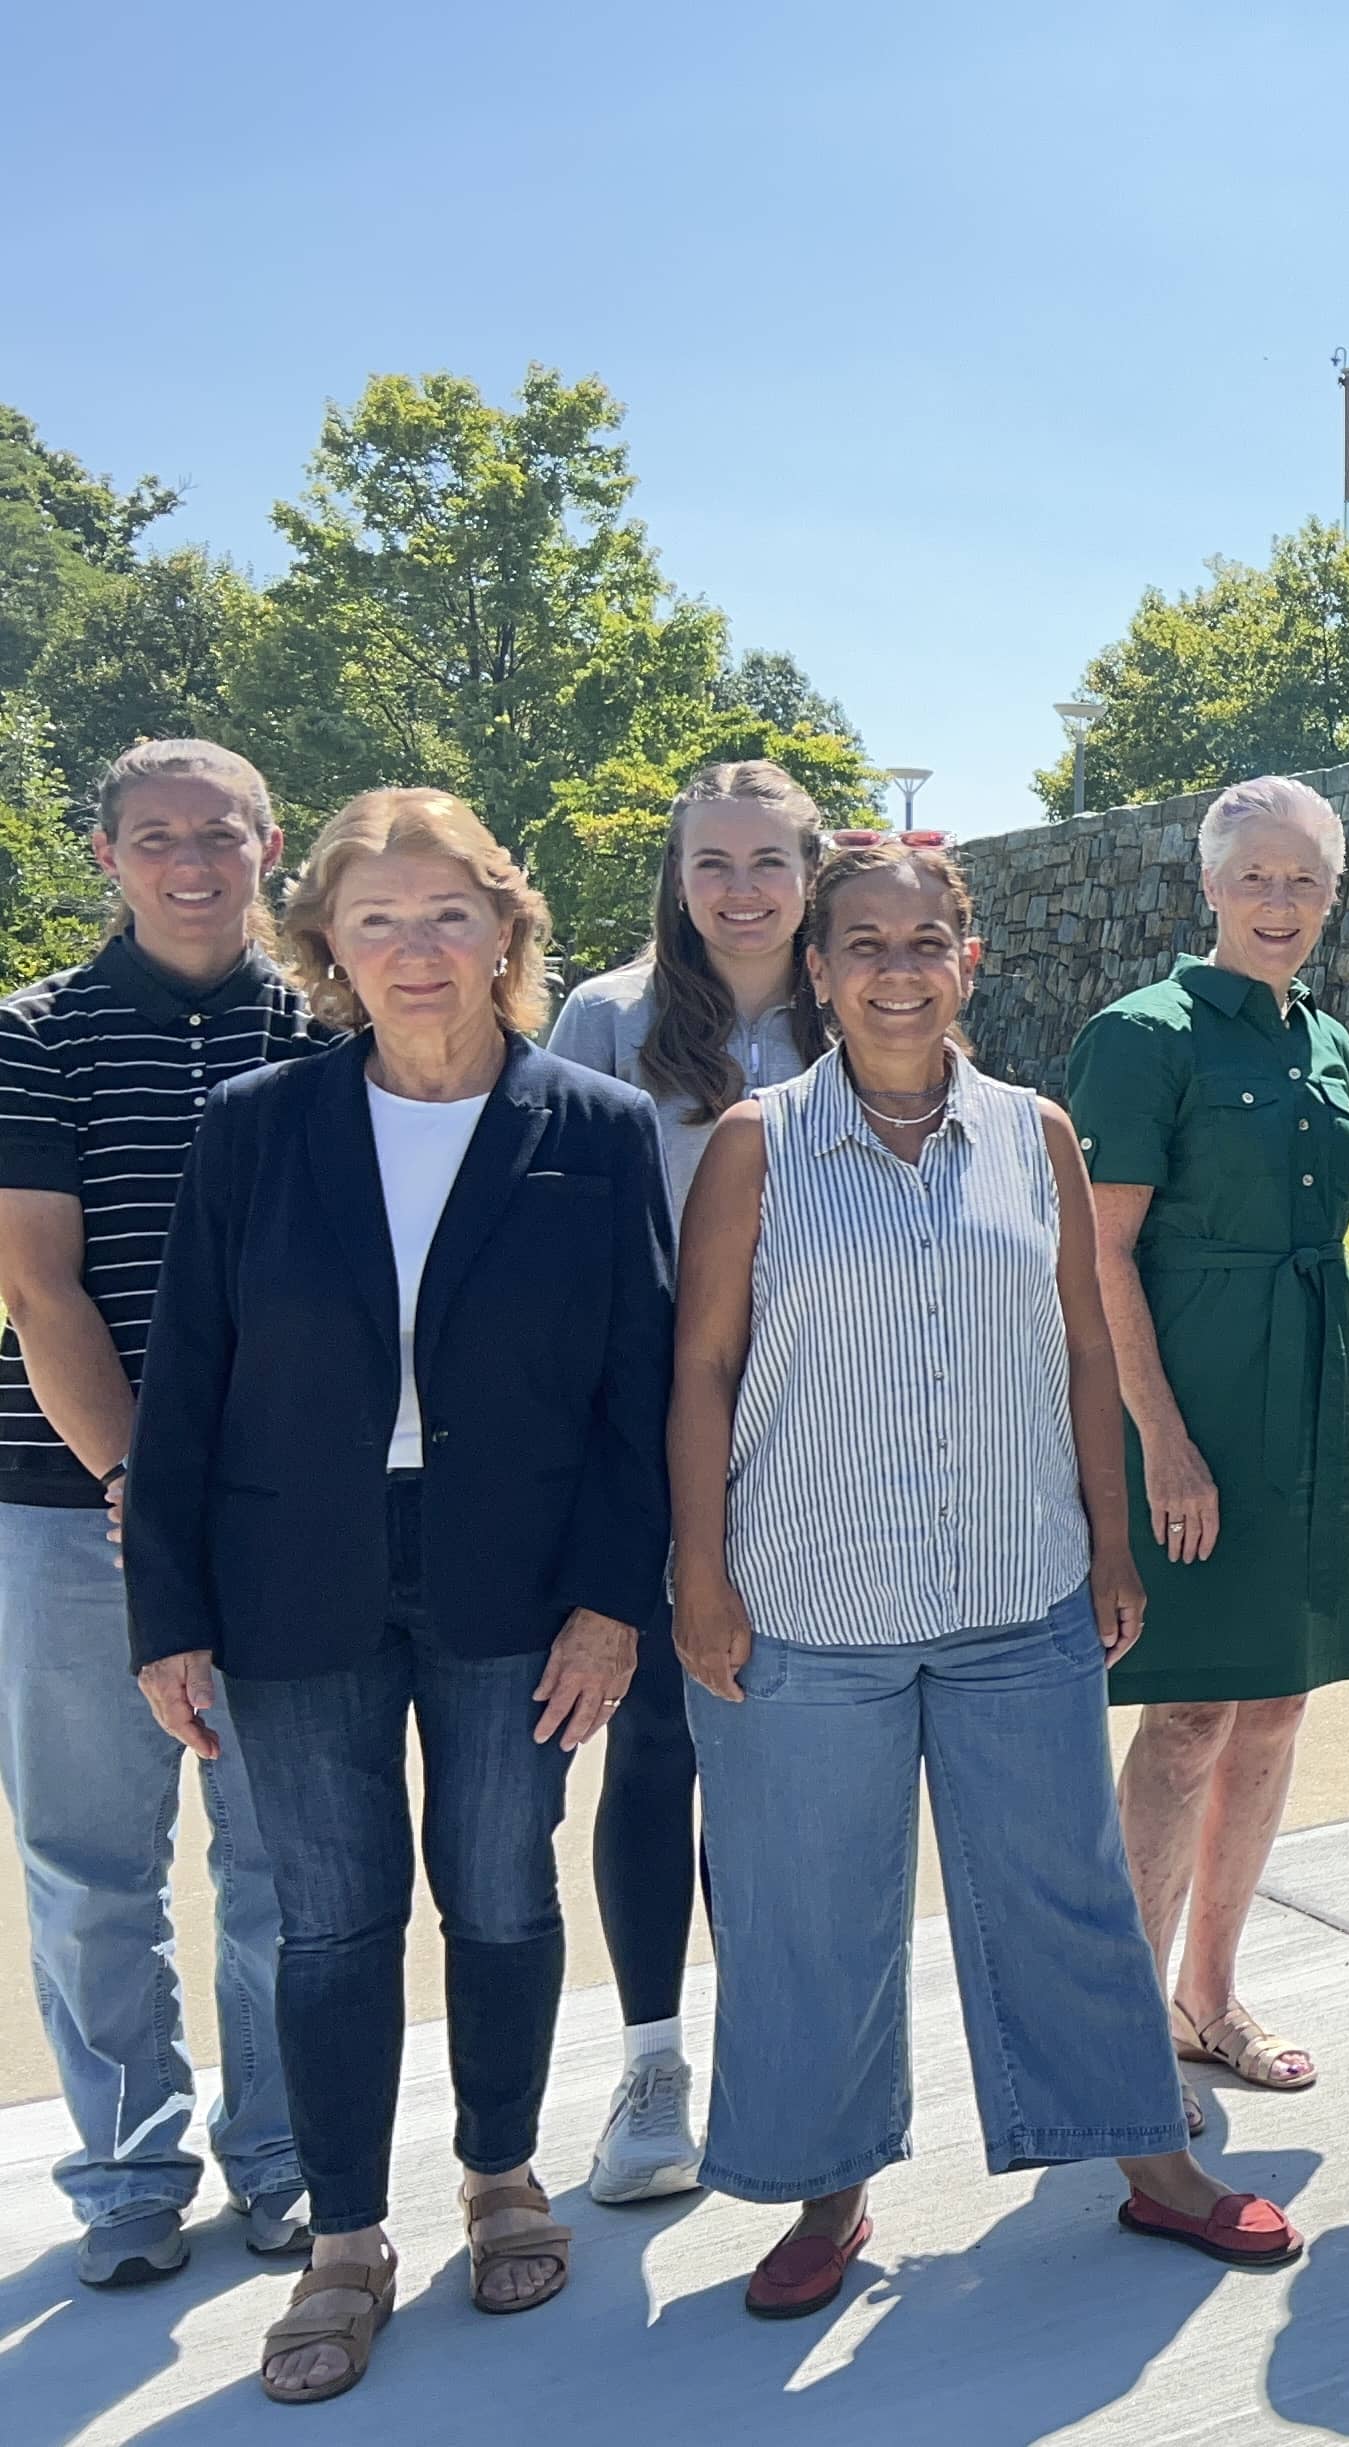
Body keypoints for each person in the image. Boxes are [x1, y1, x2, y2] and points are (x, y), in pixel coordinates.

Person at [670, 839, 1300, 2317]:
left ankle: (1144, 2160)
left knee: (1065, 1895)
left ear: (971, 959)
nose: (898, 969)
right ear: (817, 972)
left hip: (1014, 1592)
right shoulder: (755, 1141)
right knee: (813, 1907)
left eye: (926, 941)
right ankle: (831, 2191)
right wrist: (697, 1570)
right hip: (808, 1604)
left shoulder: (1039, 1133)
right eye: (864, 944)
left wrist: (1103, 1538)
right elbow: (697, 1365)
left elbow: (1084, 1346)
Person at [126, 789, 673, 2403]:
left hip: (516, 1577)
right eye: (378, 920)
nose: (417, 950)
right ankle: (344, 2238)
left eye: (448, 914)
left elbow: (634, 1397)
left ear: (504, 929)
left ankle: (500, 2169)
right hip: (293, 1574)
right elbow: (185, 1381)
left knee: (503, 1888)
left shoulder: (594, 1124)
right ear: (328, 948)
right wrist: (166, 1611)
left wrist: (609, 1600)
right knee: (333, 1914)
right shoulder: (255, 1125)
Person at [0, 741, 320, 2289]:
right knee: (89, 1863)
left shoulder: (332, 1026)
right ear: (109, 855)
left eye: (219, 833)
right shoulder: (34, 1032)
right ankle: (129, 2170)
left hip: (286, 1516)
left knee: (279, 1860)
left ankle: (276, 2154)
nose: (190, 861)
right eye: (153, 837)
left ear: (272, 844)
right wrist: (142, 1485)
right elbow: (37, 1280)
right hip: (74, 1504)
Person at [1068, 778, 1349, 2107]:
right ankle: (1126, 2015)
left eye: (1302, 879)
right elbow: (1098, 1253)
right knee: (1189, 1707)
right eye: (1253, 876)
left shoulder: (1319, 1035)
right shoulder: (1140, 1034)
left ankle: (1212, 1994)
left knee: (1276, 1701)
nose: (1278, 902)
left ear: (1331, 892)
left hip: (1316, 1395)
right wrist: (1163, 1440)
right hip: (1198, 1399)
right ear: (1206, 885)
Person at [541, 758, 828, 2205]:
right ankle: (653, 2061)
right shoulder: (607, 1017)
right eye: (710, 861)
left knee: (790, 1763)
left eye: (766, 859)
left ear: (810, 865)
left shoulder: (864, 998)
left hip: (836, 1441)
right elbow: (563, 1237)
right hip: (664, 1434)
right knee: (658, 1741)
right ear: (675, 873)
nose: (739, 888)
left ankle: (782, 2042)